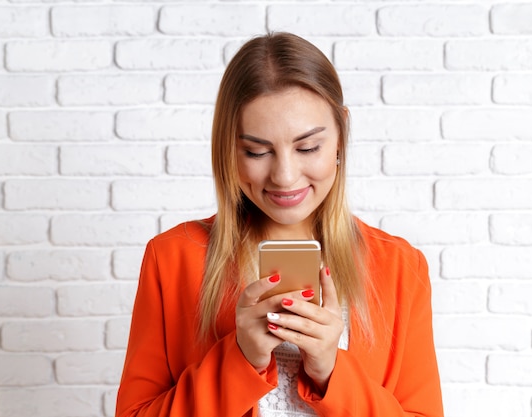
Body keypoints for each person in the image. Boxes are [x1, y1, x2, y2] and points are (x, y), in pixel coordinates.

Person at [116, 32, 444, 417]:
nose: (285, 177)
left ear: (341, 138)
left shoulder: (400, 268)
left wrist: (332, 372)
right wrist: (240, 360)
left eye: (308, 147)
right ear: (228, 148)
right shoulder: (172, 258)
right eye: (257, 151)